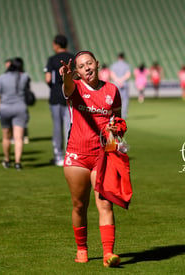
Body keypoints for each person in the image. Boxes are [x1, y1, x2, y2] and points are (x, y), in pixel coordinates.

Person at [60, 51, 124, 267]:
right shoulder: (75, 87)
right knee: (79, 205)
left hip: (102, 155)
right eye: (81, 66)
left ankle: (108, 254)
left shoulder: (112, 90)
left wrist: (117, 130)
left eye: (89, 63)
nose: (87, 68)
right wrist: (67, 76)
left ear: (97, 64)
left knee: (105, 204)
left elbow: (118, 118)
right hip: (77, 156)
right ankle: (82, 248)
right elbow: (67, 87)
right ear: (77, 71)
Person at [0, 57, 29, 170]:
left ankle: (7, 159)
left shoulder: (2, 78)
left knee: (6, 137)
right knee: (18, 138)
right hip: (20, 108)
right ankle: (18, 162)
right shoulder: (24, 77)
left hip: (5, 108)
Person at [44, 34, 74, 166]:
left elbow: (48, 79)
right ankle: (71, 155)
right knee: (70, 126)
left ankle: (59, 156)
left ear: (56, 45)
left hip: (56, 96)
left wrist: (54, 87)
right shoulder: (73, 58)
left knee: (57, 127)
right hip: (71, 97)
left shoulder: (52, 59)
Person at [110, 52, 131, 119]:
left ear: (118, 57)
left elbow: (112, 74)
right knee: (125, 100)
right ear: (123, 57)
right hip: (124, 83)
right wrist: (121, 80)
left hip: (116, 84)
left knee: (114, 100)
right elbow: (128, 75)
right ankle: (123, 115)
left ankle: (114, 114)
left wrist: (117, 81)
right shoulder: (126, 65)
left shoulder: (114, 65)